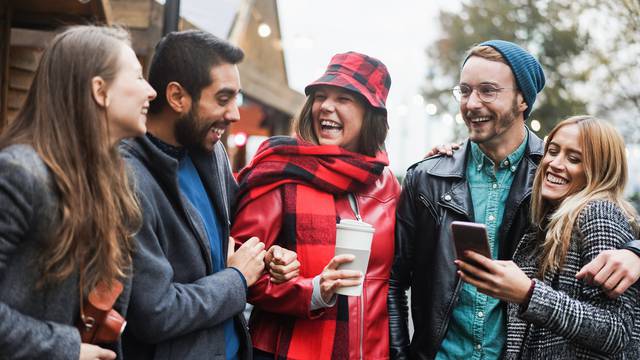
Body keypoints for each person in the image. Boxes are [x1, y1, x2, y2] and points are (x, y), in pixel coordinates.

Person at [120, 30, 298, 360]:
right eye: (222, 98)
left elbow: (221, 240)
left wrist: (268, 256)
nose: (234, 113)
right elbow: (154, 313)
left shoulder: (211, 151)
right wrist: (237, 279)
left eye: (236, 99)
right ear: (176, 97)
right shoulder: (128, 179)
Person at [0, 25, 156, 360]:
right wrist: (67, 348)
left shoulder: (118, 182)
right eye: (139, 77)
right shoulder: (19, 173)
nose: (151, 91)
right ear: (100, 90)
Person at [231, 52, 400, 359]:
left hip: (369, 352)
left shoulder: (387, 185)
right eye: (320, 96)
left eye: (344, 99)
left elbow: (399, 279)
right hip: (287, 351)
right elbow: (240, 273)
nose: (326, 106)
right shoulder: (282, 170)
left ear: (370, 114)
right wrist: (313, 292)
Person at [456, 116, 640, 358]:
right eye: (552, 151)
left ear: (600, 171)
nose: (555, 163)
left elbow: (616, 330)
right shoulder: (548, 218)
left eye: (574, 159)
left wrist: (528, 294)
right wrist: (453, 153)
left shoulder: (598, 214)